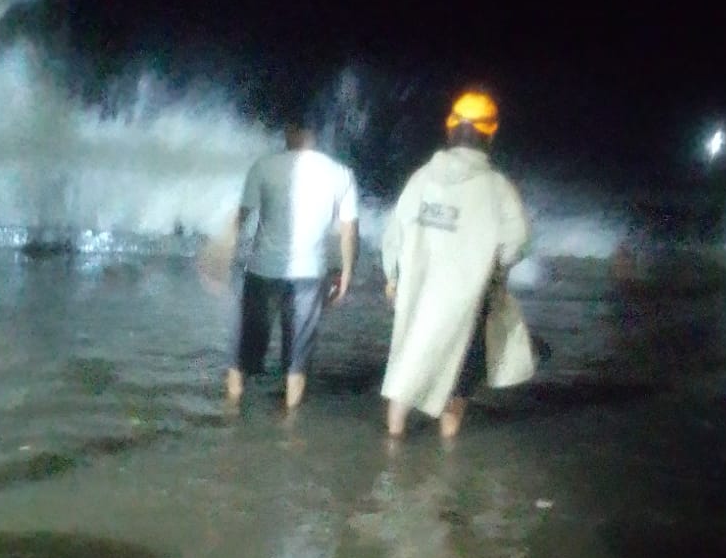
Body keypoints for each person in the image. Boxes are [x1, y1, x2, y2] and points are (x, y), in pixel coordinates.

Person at [381, 89, 531, 439]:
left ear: (451, 129)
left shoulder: (421, 178)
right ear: (490, 133)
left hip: (416, 295)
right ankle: (446, 458)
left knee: (406, 366)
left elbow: (394, 235)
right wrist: (493, 270)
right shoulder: (498, 188)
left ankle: (393, 447)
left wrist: (392, 277)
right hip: (469, 301)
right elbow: (517, 242)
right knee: (459, 379)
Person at [226, 114, 359, 411]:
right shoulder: (341, 173)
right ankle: (290, 423)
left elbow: (243, 217)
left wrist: (225, 256)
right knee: (298, 357)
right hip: (311, 275)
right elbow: (349, 230)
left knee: (243, 352)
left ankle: (232, 413)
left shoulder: (264, 166)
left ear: (291, 129)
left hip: (262, 271)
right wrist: (347, 272)